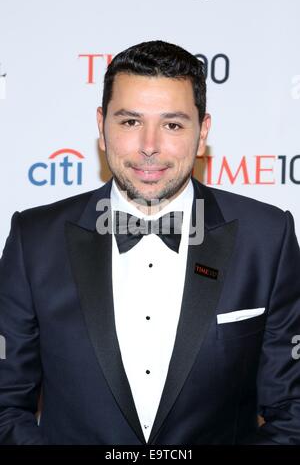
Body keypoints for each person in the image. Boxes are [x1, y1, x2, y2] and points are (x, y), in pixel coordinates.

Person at [0, 40, 300, 446]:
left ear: (203, 132)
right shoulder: (33, 240)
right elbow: (5, 404)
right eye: (130, 122)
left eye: (173, 124)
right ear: (102, 126)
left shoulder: (267, 239)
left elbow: (293, 410)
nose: (149, 146)